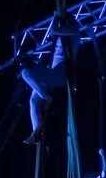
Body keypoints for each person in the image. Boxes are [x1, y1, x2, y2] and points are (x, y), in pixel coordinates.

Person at [21, 13, 80, 145]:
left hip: (61, 73)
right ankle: (37, 131)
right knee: (33, 100)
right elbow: (54, 33)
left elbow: (53, 30)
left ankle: (46, 97)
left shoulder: (74, 30)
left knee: (25, 73)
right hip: (54, 73)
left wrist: (55, 16)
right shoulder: (65, 31)